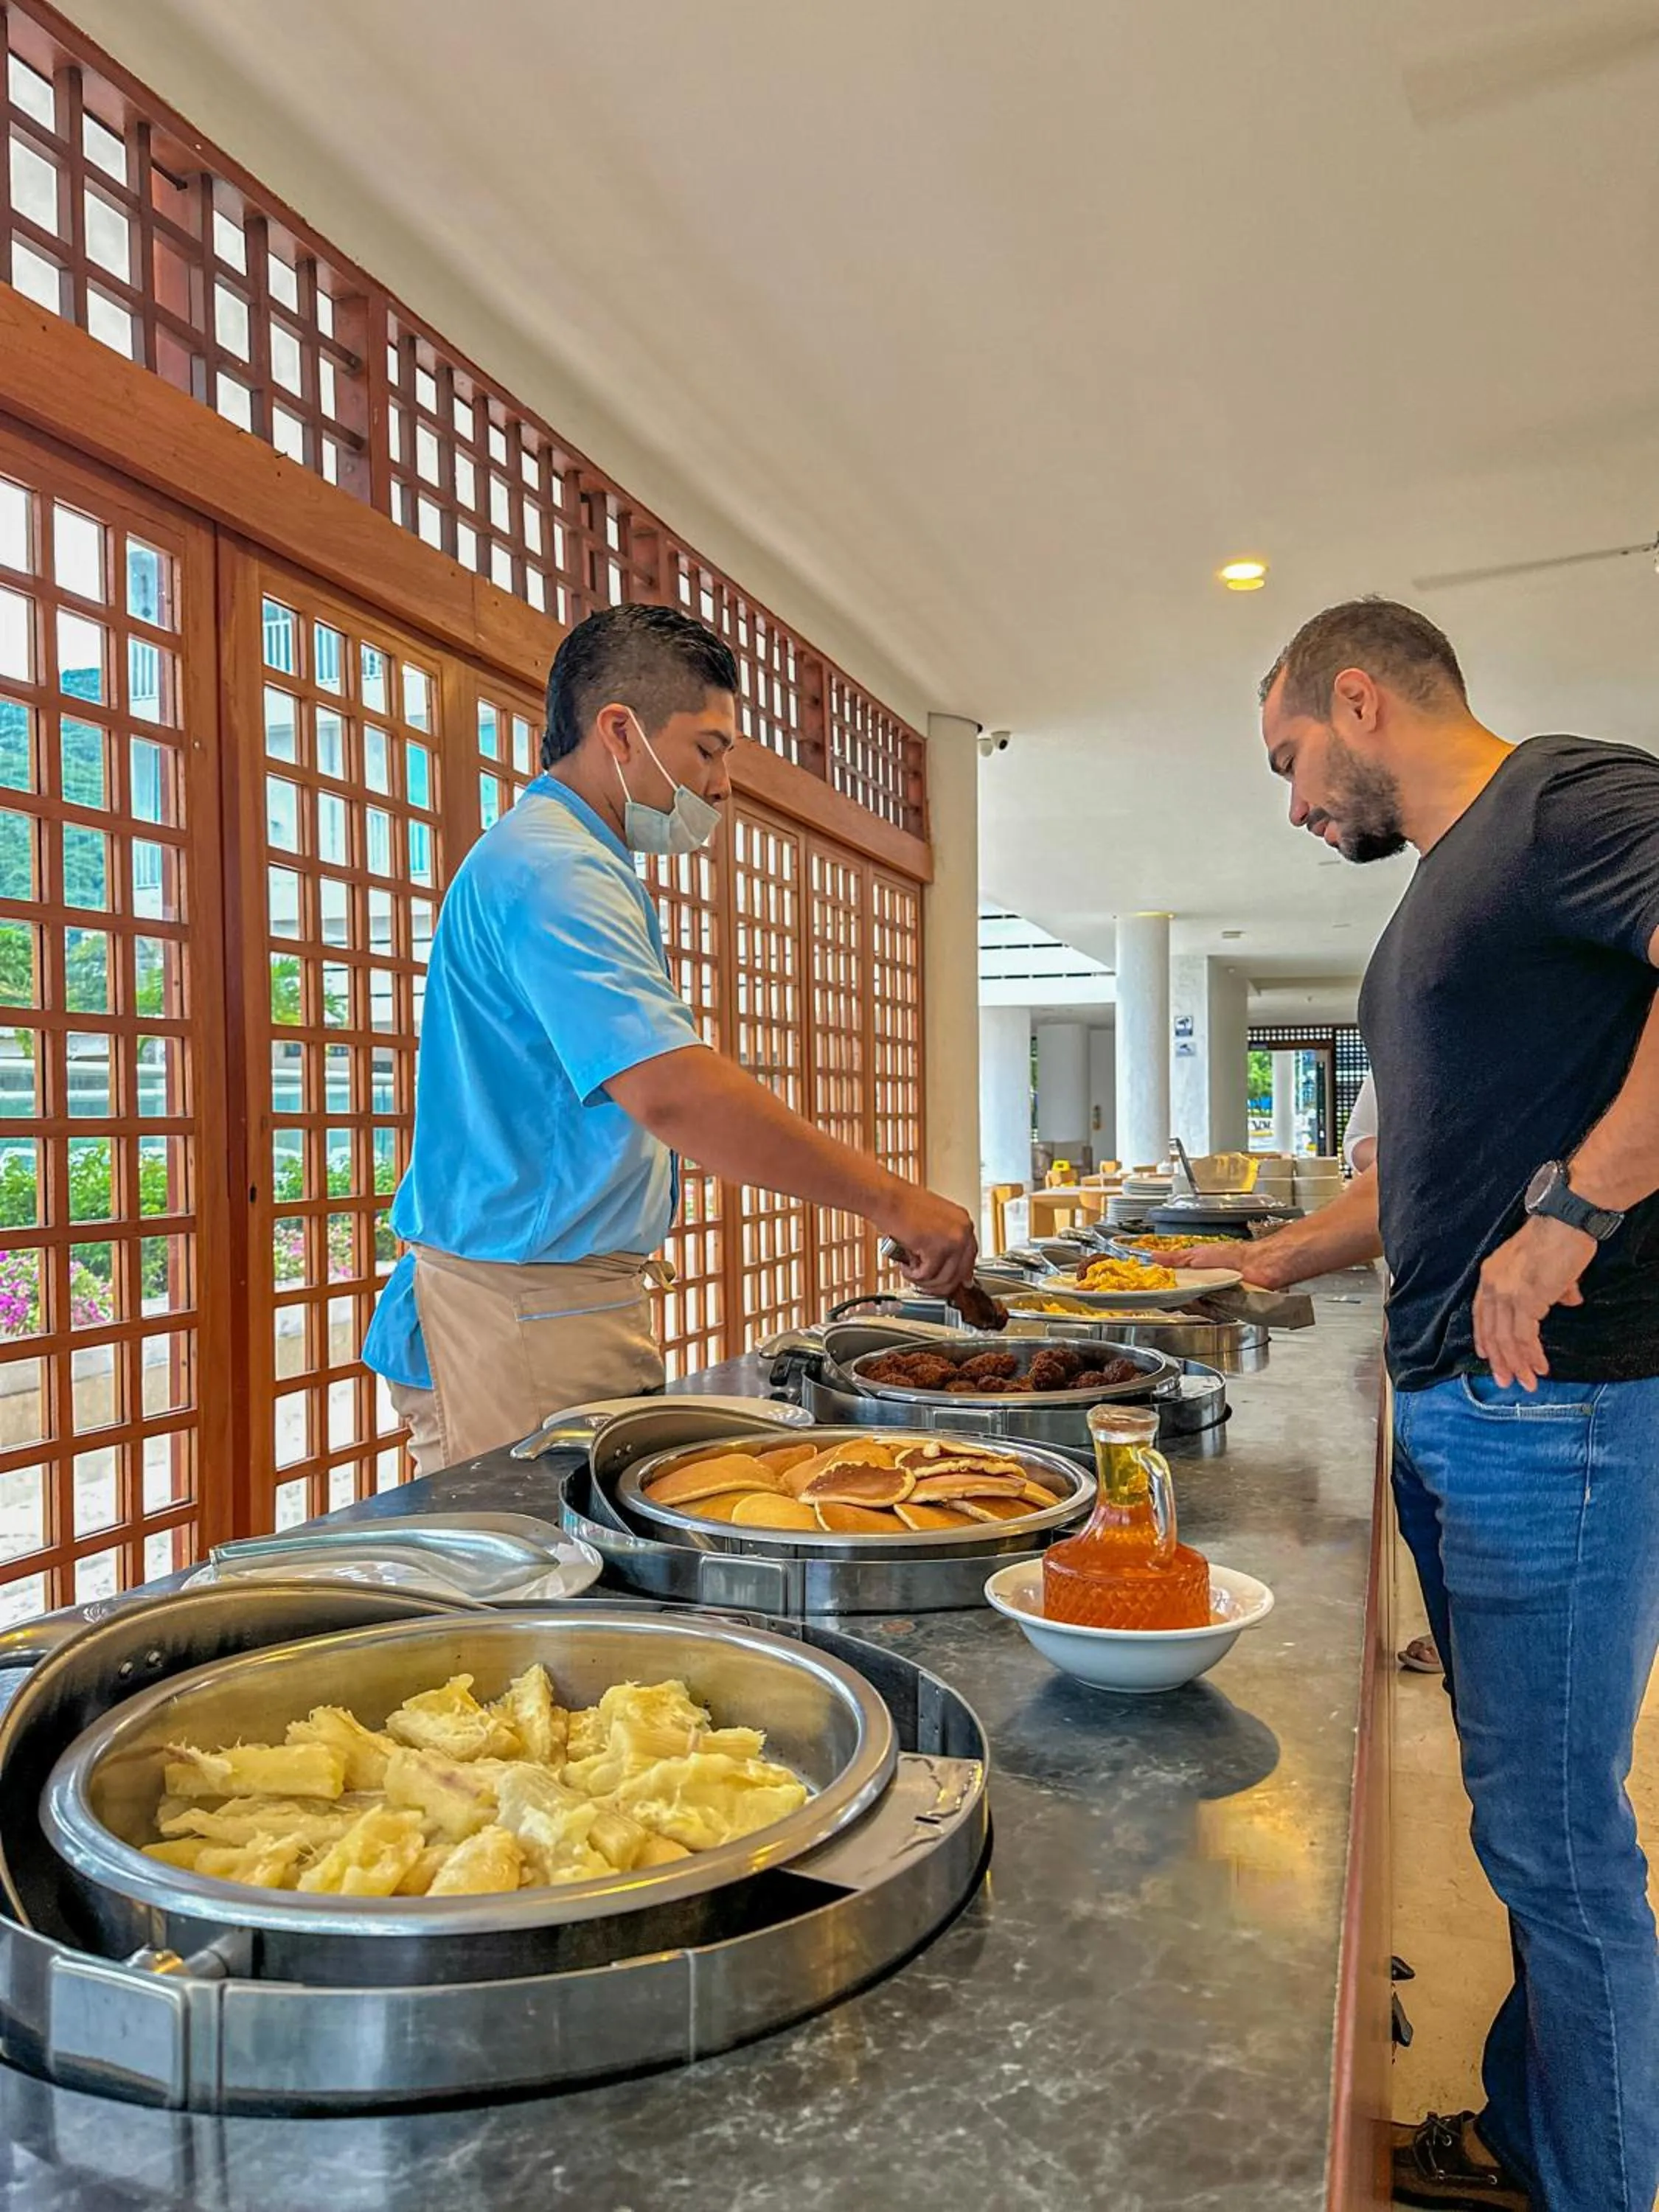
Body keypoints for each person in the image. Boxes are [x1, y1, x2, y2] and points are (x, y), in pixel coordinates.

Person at [1253, 597, 1659, 2212]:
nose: (1292, 806)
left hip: (1550, 1416)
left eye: (1289, 759)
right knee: (1521, 1831)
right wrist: (1265, 1264)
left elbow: (1533, 1189)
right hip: (1460, 1413)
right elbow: (1422, 1186)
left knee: (1563, 1856)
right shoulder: (1441, 900)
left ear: (1359, 700)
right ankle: (1530, 2129)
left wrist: (1578, 1207)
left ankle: (1608, 2183)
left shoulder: (1556, 801)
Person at [363, 603, 977, 1473]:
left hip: (538, 1292)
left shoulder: (574, 857)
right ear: (619, 730)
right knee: (549, 1579)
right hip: (524, 1302)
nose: (722, 785)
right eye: (709, 749)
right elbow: (671, 1090)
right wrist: (890, 1201)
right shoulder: (555, 867)